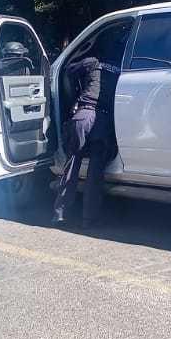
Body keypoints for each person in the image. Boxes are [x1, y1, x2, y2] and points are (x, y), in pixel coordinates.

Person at [52, 34, 122, 228]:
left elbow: (66, 70)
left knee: (72, 165)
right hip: (103, 121)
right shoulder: (120, 71)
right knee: (95, 172)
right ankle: (88, 219)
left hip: (83, 115)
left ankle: (60, 214)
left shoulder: (92, 62)